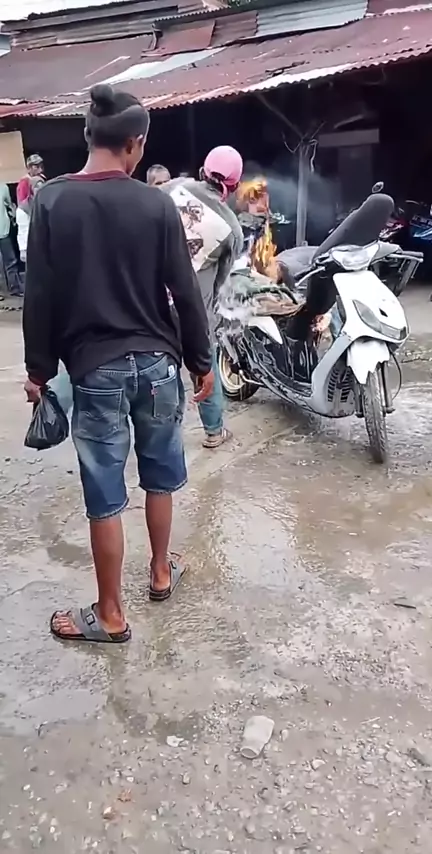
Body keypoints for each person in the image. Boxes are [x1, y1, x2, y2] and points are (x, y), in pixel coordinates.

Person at [23, 83, 214, 645]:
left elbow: (40, 297)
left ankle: (110, 615)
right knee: (159, 476)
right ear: (135, 144)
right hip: (158, 366)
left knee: (105, 494)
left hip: (95, 369)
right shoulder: (156, 204)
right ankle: (160, 572)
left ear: (88, 136)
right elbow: (186, 291)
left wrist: (38, 371)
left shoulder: (52, 201)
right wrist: (201, 361)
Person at [162, 146, 244, 449]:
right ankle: (213, 431)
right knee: (203, 366)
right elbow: (221, 279)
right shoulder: (232, 229)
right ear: (234, 185)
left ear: (202, 171)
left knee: (165, 368)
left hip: (157, 302)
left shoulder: (172, 189)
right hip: (196, 312)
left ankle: (167, 435)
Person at [0, 181, 24, 297]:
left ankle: (15, 288)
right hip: (3, 228)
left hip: (4, 229)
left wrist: (12, 214)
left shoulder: (3, 187)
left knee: (11, 261)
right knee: (9, 262)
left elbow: (8, 204)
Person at [16, 175, 45, 264]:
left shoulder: (47, 203)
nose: (39, 189)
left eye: (41, 186)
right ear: (31, 188)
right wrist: (23, 249)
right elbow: (23, 230)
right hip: (31, 245)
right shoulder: (24, 207)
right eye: (36, 186)